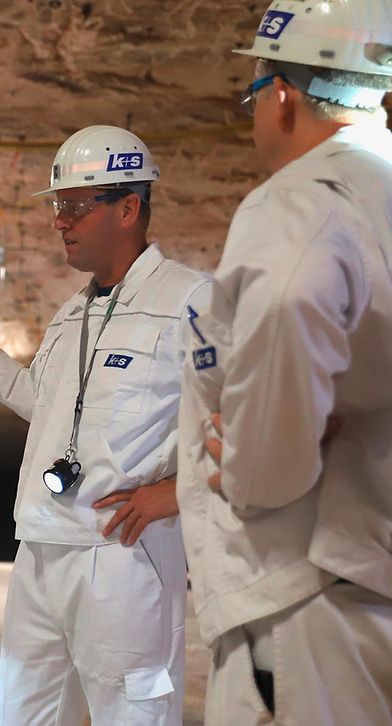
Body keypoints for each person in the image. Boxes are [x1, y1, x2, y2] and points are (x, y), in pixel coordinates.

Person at [0, 125, 210, 725]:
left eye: (74, 206)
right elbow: (47, 409)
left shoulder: (193, 300)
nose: (59, 222)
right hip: (42, 546)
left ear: (128, 208)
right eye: (57, 207)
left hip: (122, 553)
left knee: (133, 710)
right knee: (23, 710)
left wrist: (175, 494)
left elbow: (248, 414)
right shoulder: (72, 312)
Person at [176, 1, 392, 723]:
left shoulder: (300, 201)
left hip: (309, 592)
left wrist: (253, 467)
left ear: (281, 96)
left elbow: (292, 300)